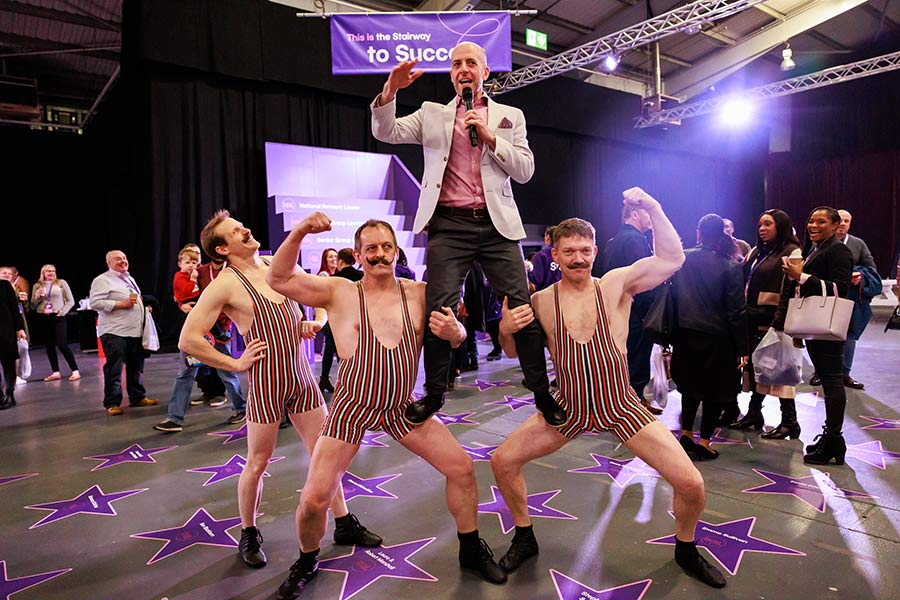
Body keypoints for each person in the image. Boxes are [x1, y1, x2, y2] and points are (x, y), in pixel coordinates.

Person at [490, 189, 725, 588]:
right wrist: (505, 328)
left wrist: (654, 207)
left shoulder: (614, 285)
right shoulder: (542, 301)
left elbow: (672, 259)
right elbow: (512, 350)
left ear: (595, 251)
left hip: (620, 406)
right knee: (502, 461)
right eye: (569, 252)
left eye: (585, 250)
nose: (578, 259)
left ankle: (686, 549)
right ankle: (524, 536)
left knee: (691, 484)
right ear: (555, 254)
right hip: (567, 408)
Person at [267, 213, 507, 597]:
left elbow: (458, 331)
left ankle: (470, 549)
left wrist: (456, 333)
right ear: (358, 255)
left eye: (386, 247)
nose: (380, 254)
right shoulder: (340, 291)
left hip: (401, 407)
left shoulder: (420, 293)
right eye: (371, 249)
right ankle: (307, 561)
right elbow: (278, 279)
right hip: (351, 408)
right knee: (313, 500)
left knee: (461, 469)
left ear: (396, 251)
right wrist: (300, 231)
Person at [370, 42, 566, 428]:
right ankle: (434, 393)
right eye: (456, 63)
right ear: (451, 74)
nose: (463, 69)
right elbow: (386, 131)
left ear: (484, 72)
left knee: (521, 305)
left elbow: (525, 170)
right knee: (439, 309)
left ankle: (542, 393)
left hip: (497, 225)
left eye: (471, 63)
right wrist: (390, 90)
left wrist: (491, 137)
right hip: (449, 224)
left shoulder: (510, 116)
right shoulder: (432, 114)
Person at [179, 211, 380, 570]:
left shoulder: (277, 263)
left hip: (302, 380)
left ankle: (343, 522)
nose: (246, 230)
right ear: (222, 249)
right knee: (257, 462)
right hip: (266, 385)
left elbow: (319, 300)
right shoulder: (225, 285)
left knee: (325, 455)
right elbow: (188, 339)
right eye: (236, 232)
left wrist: (312, 322)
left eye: (242, 225)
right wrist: (235, 364)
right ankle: (248, 531)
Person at [774, 206, 853, 465]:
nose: (813, 226)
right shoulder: (817, 249)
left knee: (832, 382)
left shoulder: (838, 250)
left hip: (829, 326)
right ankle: (831, 438)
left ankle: (834, 440)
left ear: (835, 225)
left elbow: (840, 289)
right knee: (829, 382)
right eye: (811, 221)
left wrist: (801, 276)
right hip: (816, 326)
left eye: (821, 222)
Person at [671, 215, 749, 461]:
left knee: (689, 386)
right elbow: (736, 311)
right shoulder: (731, 264)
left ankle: (686, 434)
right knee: (715, 391)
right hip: (718, 338)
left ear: (699, 233)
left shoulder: (683, 258)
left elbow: (672, 296)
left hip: (685, 332)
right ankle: (704, 442)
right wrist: (742, 347)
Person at [154, 244, 247, 433]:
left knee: (226, 371)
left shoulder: (232, 271)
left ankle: (240, 408)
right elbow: (181, 294)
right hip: (196, 330)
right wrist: (181, 305)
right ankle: (174, 418)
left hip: (219, 331)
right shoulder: (200, 271)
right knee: (185, 373)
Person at [731, 209, 802, 439]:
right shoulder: (756, 251)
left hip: (775, 322)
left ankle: (790, 422)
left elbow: (792, 291)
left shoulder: (792, 252)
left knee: (781, 371)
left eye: (768, 224)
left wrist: (779, 323)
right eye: (760, 224)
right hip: (752, 319)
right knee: (756, 368)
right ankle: (754, 413)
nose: (762, 228)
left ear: (780, 226)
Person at [601, 202, 662, 415]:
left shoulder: (614, 241)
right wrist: (649, 311)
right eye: (647, 212)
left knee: (624, 356)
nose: (651, 217)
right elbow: (642, 279)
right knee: (637, 357)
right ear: (634, 214)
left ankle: (624, 401)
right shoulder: (635, 239)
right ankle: (633, 404)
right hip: (636, 312)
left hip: (620, 309)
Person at [89, 251, 158, 415]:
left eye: (125, 258)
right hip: (115, 332)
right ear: (109, 263)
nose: (123, 261)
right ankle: (112, 403)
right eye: (118, 259)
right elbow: (95, 303)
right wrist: (121, 304)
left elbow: (134, 300)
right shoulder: (102, 280)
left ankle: (138, 396)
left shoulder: (129, 278)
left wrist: (143, 307)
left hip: (134, 331)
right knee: (114, 368)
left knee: (136, 366)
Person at [820, 209, 878, 390]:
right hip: (826, 295)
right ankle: (819, 372)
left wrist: (860, 276)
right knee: (822, 334)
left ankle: (844, 374)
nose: (843, 224)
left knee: (849, 336)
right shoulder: (821, 242)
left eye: (847, 221)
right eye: (840, 220)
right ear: (834, 223)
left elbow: (871, 268)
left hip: (850, 297)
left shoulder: (858, 244)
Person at [318, 248, 362, 393]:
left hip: (336, 320)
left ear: (341, 261)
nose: (333, 259)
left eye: (335, 257)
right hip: (351, 321)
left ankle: (337, 382)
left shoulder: (333, 279)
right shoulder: (361, 276)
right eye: (330, 257)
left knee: (336, 350)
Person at [30, 264, 81, 382]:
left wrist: (62, 312)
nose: (51, 273)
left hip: (58, 316)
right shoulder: (37, 285)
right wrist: (37, 297)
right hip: (44, 317)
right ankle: (55, 372)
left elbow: (71, 301)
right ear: (43, 273)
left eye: (53, 271)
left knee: (62, 344)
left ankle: (75, 371)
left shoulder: (61, 283)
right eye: (48, 271)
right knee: (49, 346)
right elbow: (32, 306)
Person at [0, 266, 31, 385]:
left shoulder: (16, 289)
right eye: (4, 273)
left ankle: (19, 375)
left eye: (9, 273)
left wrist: (24, 300)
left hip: (16, 324)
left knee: (20, 349)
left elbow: (22, 309)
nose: (7, 275)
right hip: (5, 327)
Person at [0, 279, 26, 410]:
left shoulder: (4, 285)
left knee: (8, 363)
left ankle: (10, 395)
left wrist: (20, 328)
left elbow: (14, 307)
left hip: (5, 331)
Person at [528, 226, 561, 292]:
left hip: (546, 293)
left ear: (547, 236)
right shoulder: (564, 254)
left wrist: (528, 271)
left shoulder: (541, 255)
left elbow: (538, 279)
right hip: (564, 293)